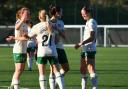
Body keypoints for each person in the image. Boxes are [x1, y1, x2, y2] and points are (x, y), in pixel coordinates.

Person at [7, 9, 65, 89]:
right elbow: (57, 40)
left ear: (39, 17)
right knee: (56, 72)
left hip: (42, 52)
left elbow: (27, 37)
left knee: (42, 74)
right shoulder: (52, 25)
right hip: (52, 51)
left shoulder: (36, 26)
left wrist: (16, 37)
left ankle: (13, 85)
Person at [74, 6, 98, 89]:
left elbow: (92, 37)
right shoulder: (88, 22)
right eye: (82, 14)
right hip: (86, 49)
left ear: (88, 13)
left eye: (84, 13)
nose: (82, 15)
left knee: (90, 69)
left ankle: (95, 87)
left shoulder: (91, 22)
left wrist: (81, 43)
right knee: (83, 69)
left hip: (89, 49)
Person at [7, 7, 30, 89]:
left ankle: (12, 86)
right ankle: (15, 87)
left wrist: (32, 37)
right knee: (19, 69)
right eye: (26, 13)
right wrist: (22, 20)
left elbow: (25, 37)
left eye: (28, 14)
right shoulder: (19, 22)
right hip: (18, 49)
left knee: (20, 69)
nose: (28, 15)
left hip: (23, 49)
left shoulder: (26, 24)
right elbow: (16, 27)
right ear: (21, 14)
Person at [48, 5, 69, 89]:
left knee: (66, 68)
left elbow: (64, 36)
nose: (61, 13)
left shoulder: (61, 23)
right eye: (60, 12)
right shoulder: (48, 22)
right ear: (56, 12)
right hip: (52, 48)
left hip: (60, 48)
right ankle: (53, 87)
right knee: (52, 70)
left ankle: (58, 80)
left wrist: (58, 29)